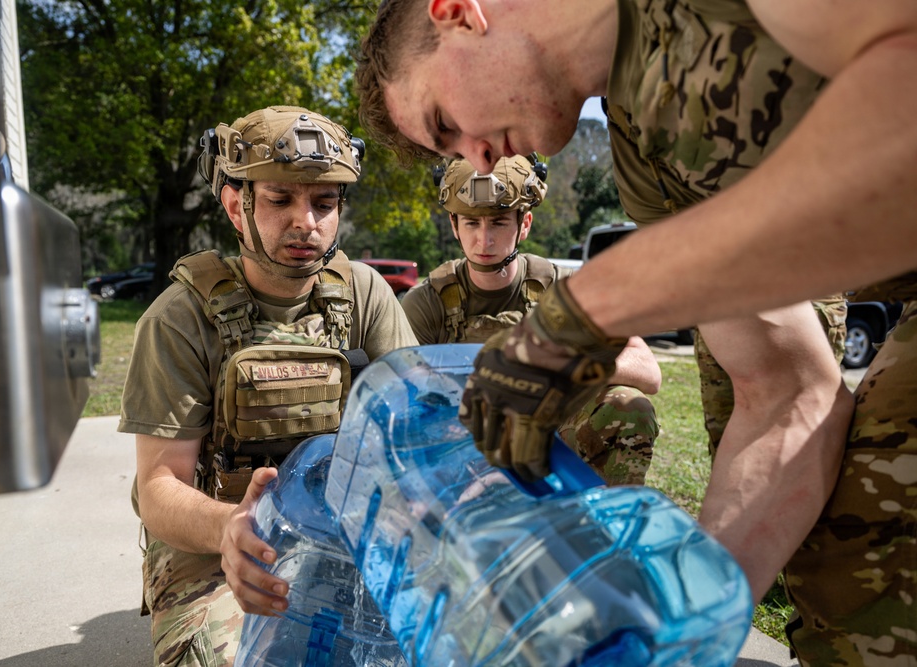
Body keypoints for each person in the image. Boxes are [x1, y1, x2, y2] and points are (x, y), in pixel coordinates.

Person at [354, 1, 917, 663]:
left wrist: (586, 309)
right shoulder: (644, 159)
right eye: (447, 152)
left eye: (446, 123)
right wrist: (664, 628)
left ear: (456, 12)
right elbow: (788, 394)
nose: (474, 159)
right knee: (861, 575)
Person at [118, 105, 418, 666]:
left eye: (324, 204)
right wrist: (231, 527)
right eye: (281, 200)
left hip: (337, 528)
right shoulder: (178, 319)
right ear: (237, 206)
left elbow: (416, 424)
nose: (306, 221)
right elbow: (161, 487)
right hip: (214, 539)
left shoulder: (365, 295)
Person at [403, 154, 661, 485]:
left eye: (497, 222)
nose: (485, 241)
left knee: (628, 406)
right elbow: (405, 399)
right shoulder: (428, 301)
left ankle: (604, 520)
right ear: (454, 225)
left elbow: (648, 371)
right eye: (471, 223)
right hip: (462, 442)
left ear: (524, 224)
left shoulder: (561, 286)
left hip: (549, 436)